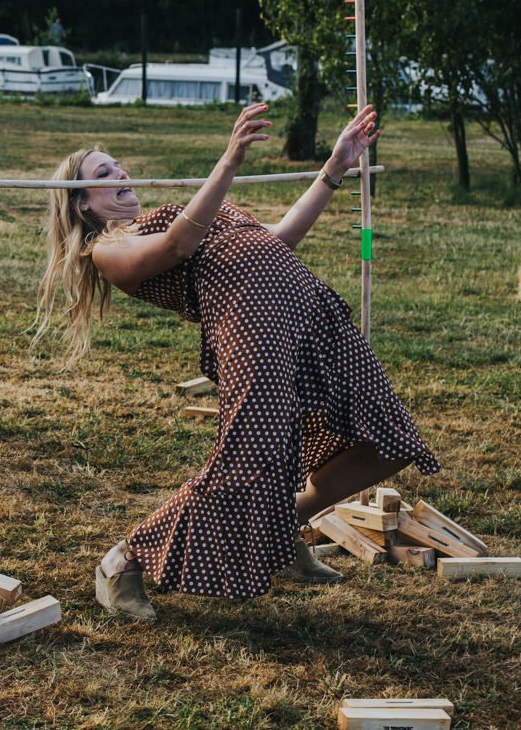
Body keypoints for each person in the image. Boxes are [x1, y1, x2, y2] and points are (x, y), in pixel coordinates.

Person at [34, 103, 440, 620]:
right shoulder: (109, 249)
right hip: (254, 337)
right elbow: (180, 245)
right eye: (103, 173)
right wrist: (228, 161)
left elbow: (280, 239)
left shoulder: (178, 214)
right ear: (82, 202)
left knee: (388, 439)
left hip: (313, 318)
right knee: (244, 462)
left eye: (118, 165)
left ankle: (278, 530)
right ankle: (123, 559)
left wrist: (334, 168)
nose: (121, 173)